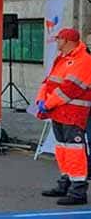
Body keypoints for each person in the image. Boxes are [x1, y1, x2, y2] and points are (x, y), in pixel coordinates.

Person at [36, 27, 91, 205]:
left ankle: (78, 191)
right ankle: (65, 183)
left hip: (73, 114)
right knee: (62, 150)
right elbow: (48, 82)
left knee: (74, 152)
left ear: (67, 41)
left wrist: (47, 104)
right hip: (59, 112)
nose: (57, 41)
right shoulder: (63, 59)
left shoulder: (84, 61)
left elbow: (69, 90)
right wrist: (40, 100)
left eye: (59, 38)